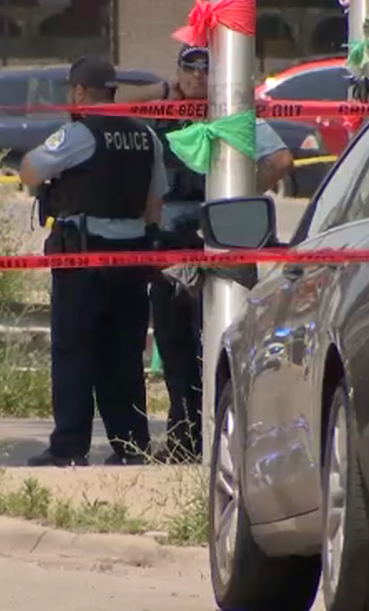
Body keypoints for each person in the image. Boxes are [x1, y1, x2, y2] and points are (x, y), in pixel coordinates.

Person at [121, 45, 294, 463]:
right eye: (189, 68)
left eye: (206, 69)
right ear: (177, 71)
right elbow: (112, 105)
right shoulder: (162, 112)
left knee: (220, 344)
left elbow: (281, 159)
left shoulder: (230, 113)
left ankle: (224, 439)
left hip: (219, 239)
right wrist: (164, 89)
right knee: (174, 343)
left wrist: (242, 194)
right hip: (169, 244)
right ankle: (183, 439)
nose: (198, 76)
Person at [19, 55, 169, 468]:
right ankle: (131, 446)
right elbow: (155, 202)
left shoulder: (78, 135)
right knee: (124, 355)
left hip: (83, 258)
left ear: (81, 92)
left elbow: (29, 171)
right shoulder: (146, 137)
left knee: (74, 351)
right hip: (133, 256)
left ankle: (69, 447)